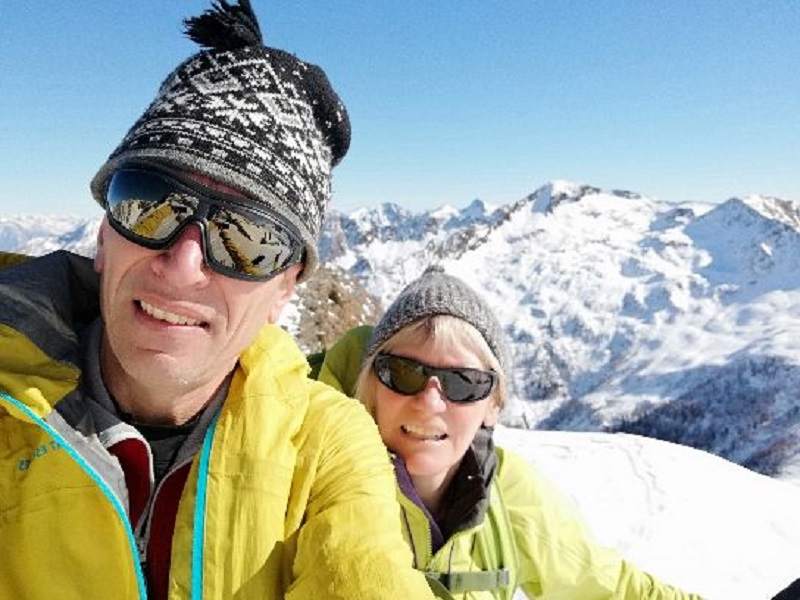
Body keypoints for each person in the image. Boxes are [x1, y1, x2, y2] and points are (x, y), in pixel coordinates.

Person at [0, 2, 435, 599]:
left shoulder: (323, 448)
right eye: (149, 204)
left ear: (284, 289)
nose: (182, 266)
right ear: (103, 235)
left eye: (247, 240)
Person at [316, 265, 705, 599]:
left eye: (463, 383)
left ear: (493, 406)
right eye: (403, 373)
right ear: (371, 385)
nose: (430, 402)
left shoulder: (507, 492)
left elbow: (608, 586)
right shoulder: (313, 478)